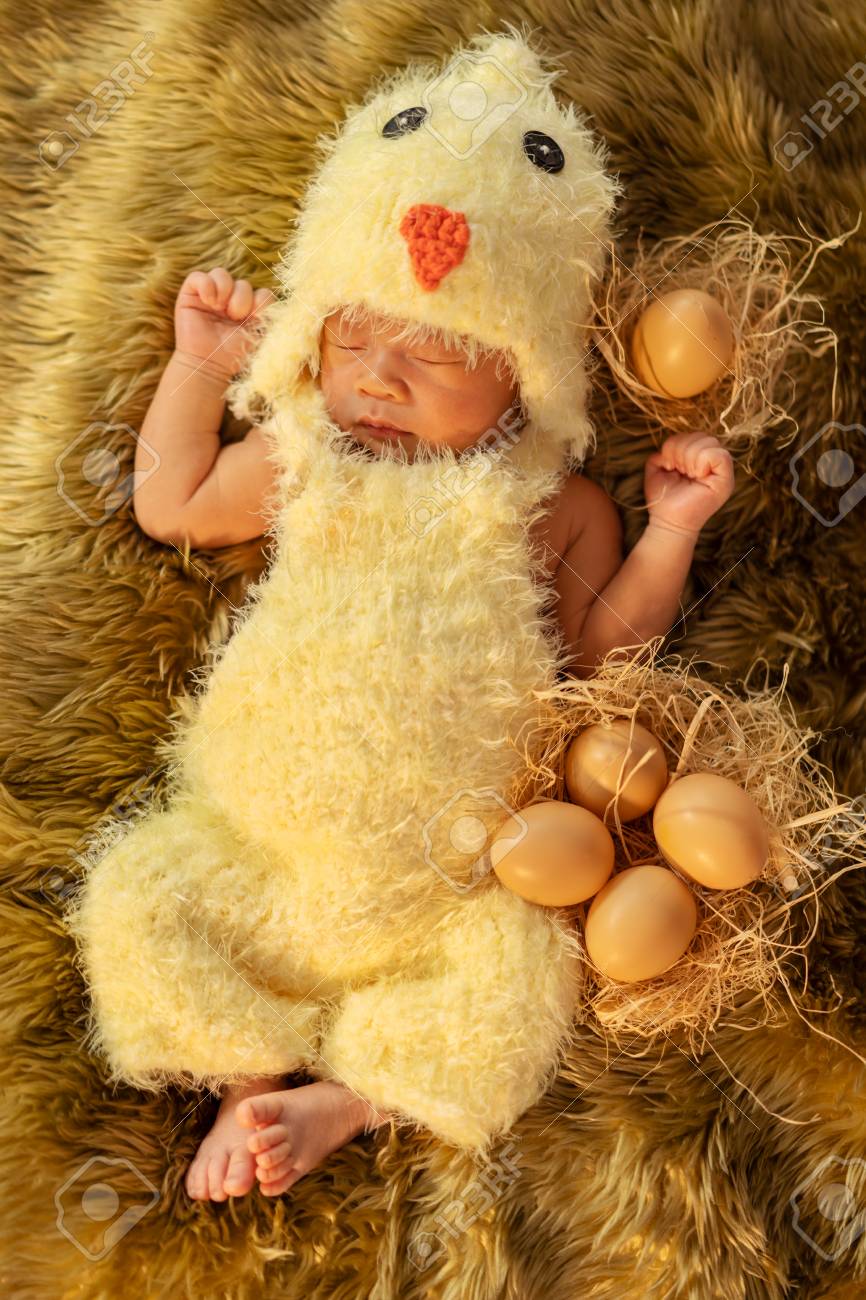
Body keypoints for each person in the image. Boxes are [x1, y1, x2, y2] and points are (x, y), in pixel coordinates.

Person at [65, 30, 734, 1207]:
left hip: (448, 879)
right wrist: (197, 368)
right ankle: (249, 1071)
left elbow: (601, 658)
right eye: (352, 338)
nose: (378, 377)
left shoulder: (548, 500)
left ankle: (348, 1094)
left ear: (523, 374)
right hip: (251, 852)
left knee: (529, 963)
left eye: (431, 355)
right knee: (130, 902)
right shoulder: (302, 452)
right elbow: (171, 500)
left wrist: (667, 530)